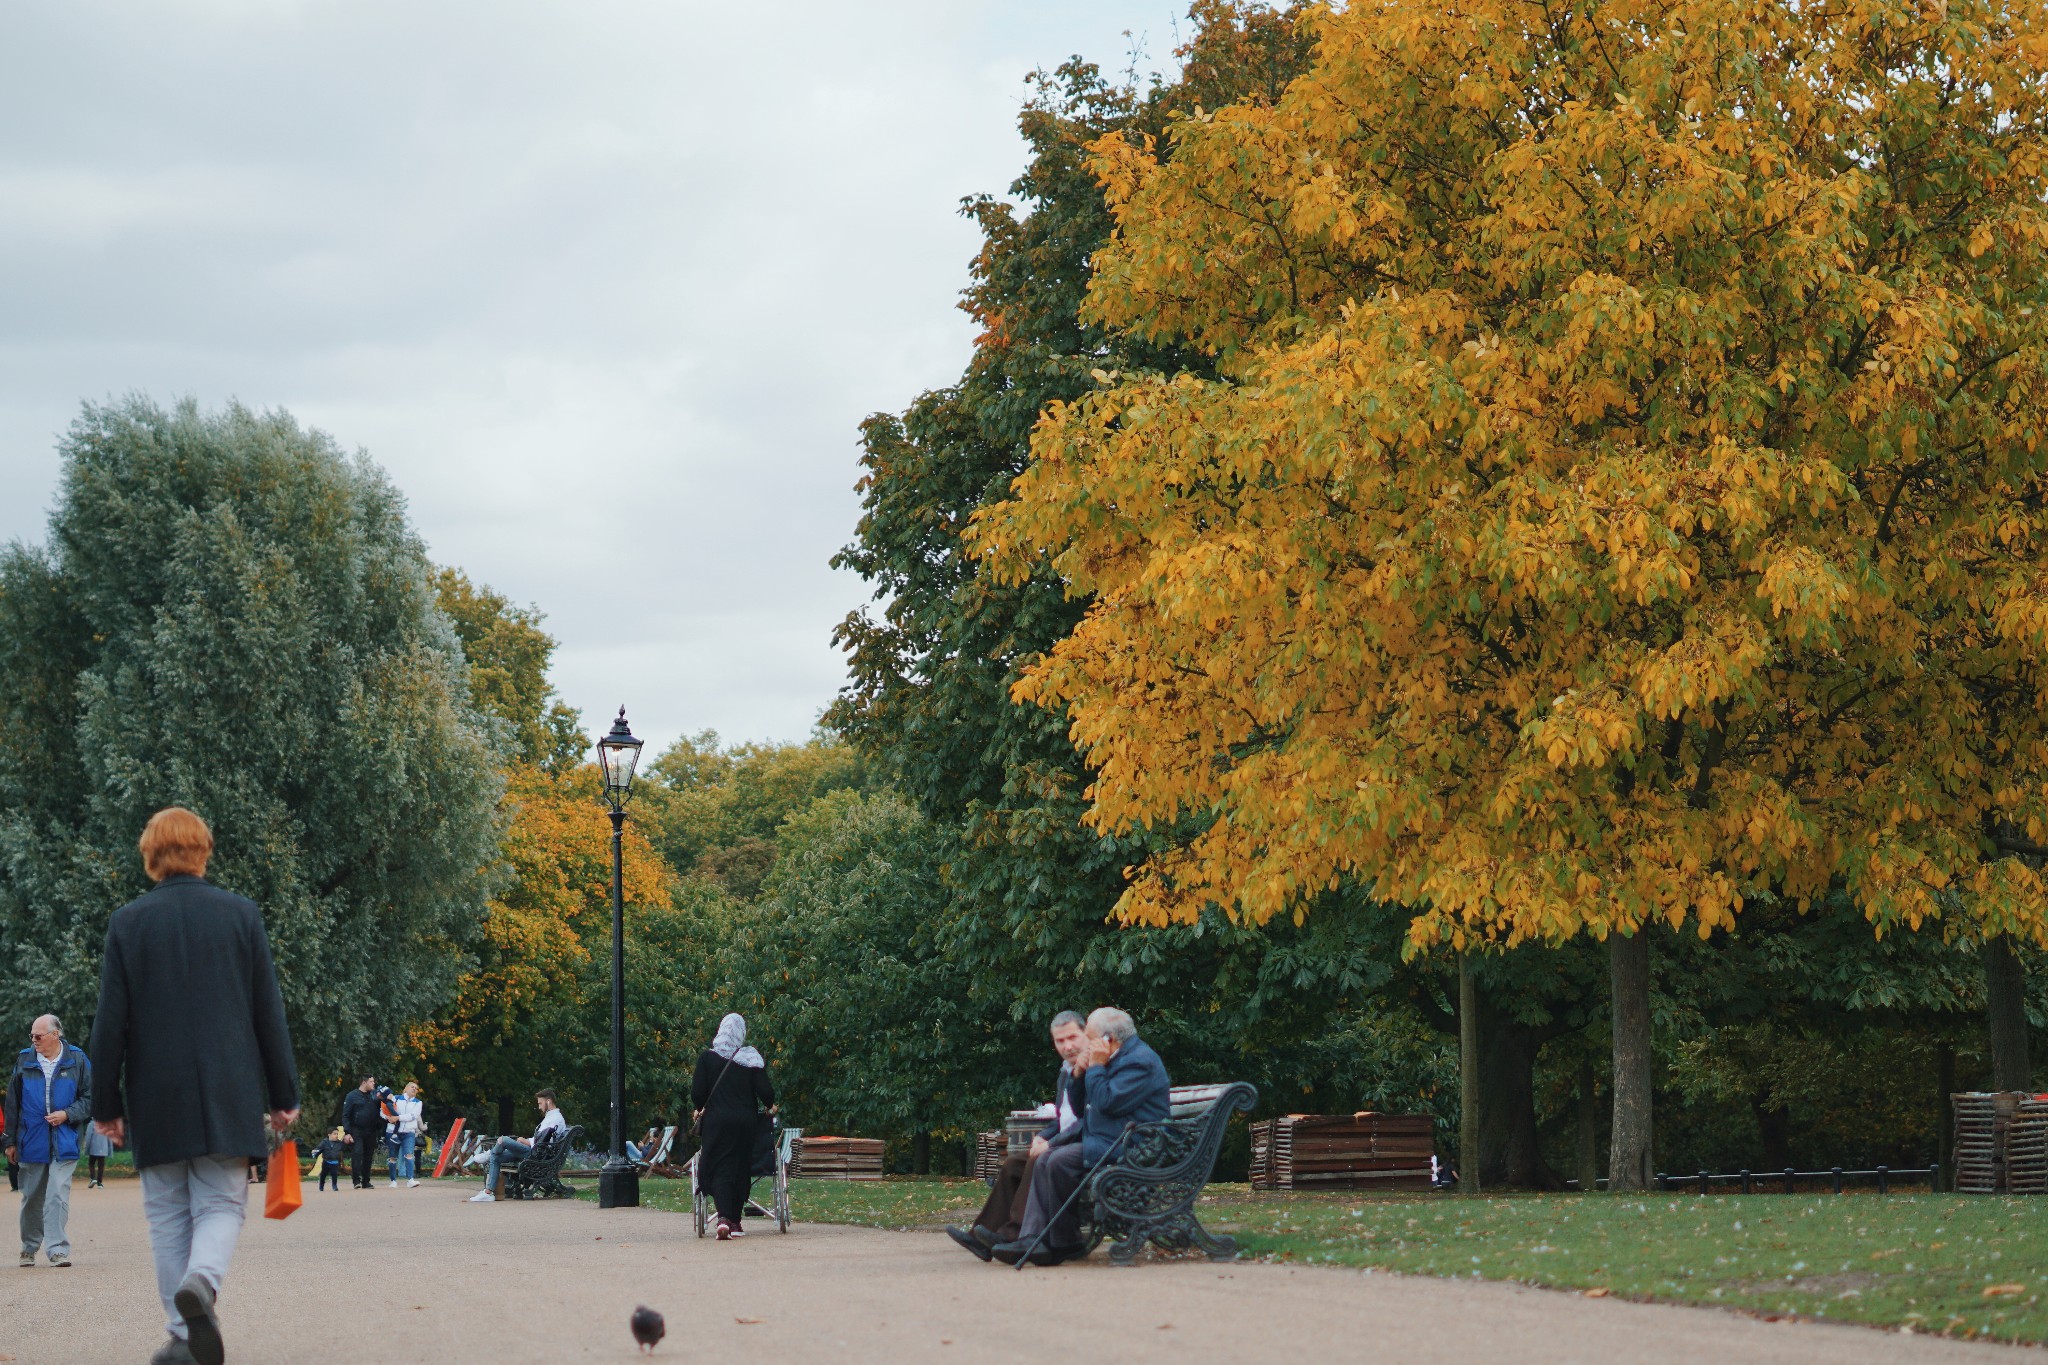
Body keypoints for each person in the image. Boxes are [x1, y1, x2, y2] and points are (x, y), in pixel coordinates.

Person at [90, 807, 299, 1365]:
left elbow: (109, 1023)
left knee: (165, 1216)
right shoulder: (241, 915)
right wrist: (284, 1095)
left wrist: (105, 1104)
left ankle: (182, 1339)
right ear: (203, 850)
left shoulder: (128, 922)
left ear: (151, 855)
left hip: (157, 1093)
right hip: (229, 1089)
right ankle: (203, 1285)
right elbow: (267, 1013)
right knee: (221, 1205)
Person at [995, 1006, 1169, 1266]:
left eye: (1089, 1037)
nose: (1086, 1044)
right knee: (1047, 1159)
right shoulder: (1117, 1057)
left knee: (1055, 1160)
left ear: (1107, 1039)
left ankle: (1057, 1242)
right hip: (1107, 1141)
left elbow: (1107, 1102)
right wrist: (1078, 1074)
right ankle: (1040, 1240)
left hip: (1133, 1146)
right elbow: (1081, 1109)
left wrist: (1096, 1067)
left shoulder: (1139, 1061)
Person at [948, 1010, 1089, 1260]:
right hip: (1064, 1141)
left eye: (1072, 1038)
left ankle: (1012, 1235)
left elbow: (1089, 1120)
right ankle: (983, 1236)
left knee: (1036, 1160)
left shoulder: (1094, 1068)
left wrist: (1052, 1143)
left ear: (1085, 1033)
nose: (1067, 1046)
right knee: (1014, 1163)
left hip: (1082, 1145)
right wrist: (1044, 1135)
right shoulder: (1066, 1070)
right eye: (1060, 1041)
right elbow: (1063, 1117)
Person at [5, 1013, 92, 1268]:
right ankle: (29, 1246)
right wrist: (9, 1140)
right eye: (32, 1035)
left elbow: (90, 1098)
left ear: (56, 1035)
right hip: (30, 1140)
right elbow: (12, 1103)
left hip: (64, 1140)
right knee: (32, 1197)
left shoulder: (76, 1059)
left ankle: (57, 1250)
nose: (34, 1040)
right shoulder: (25, 1059)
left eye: (38, 1035)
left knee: (57, 1194)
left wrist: (68, 1114)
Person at [691, 1013, 775, 1240]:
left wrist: (699, 1107)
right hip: (745, 1123)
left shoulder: (707, 1058)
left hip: (716, 1123)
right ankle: (734, 1220)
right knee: (740, 1166)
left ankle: (723, 1218)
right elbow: (767, 1094)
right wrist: (770, 1107)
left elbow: (698, 1094)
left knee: (719, 1166)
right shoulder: (750, 1058)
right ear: (741, 1033)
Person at [467, 1090, 567, 1202]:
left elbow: (545, 1142)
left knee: (504, 1140)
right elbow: (542, 1137)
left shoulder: (555, 1119)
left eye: (540, 1103)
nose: (539, 1107)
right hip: (534, 1151)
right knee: (496, 1157)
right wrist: (525, 1140)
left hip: (535, 1154)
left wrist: (526, 1142)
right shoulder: (550, 1117)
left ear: (548, 1102)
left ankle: (489, 1153)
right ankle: (488, 1192)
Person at [340, 1076, 383, 1190]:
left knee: (368, 1156)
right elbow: (345, 1115)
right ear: (364, 1082)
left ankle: (366, 1181)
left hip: (372, 1130)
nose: (374, 1083)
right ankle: (356, 1180)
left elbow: (383, 1108)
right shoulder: (352, 1096)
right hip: (357, 1130)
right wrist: (347, 1132)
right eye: (371, 1081)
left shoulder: (375, 1095)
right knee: (357, 1154)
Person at [389, 1081, 424, 1188]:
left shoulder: (418, 1102)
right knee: (392, 1157)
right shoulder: (396, 1098)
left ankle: (410, 1179)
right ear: (406, 1088)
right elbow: (385, 1109)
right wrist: (387, 1118)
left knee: (409, 1155)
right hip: (394, 1131)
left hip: (409, 1132)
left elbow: (413, 1115)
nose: (414, 1089)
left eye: (416, 1088)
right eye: (412, 1087)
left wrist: (398, 1117)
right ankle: (393, 1180)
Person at [85, 1119, 114, 1188]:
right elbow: (110, 1138)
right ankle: (99, 1182)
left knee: (91, 1163)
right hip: (104, 1148)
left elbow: (88, 1137)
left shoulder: (92, 1124)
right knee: (101, 1165)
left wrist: (87, 1149)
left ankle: (93, 1178)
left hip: (93, 1147)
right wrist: (110, 1150)